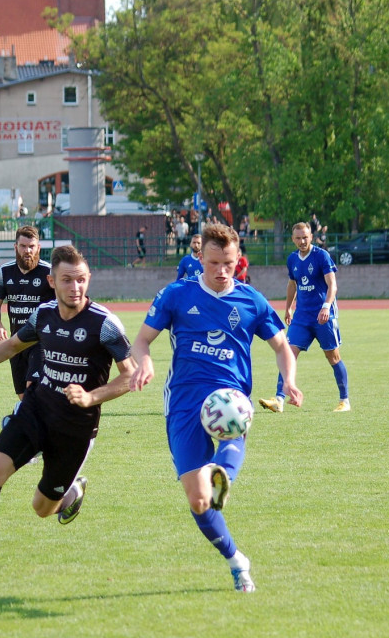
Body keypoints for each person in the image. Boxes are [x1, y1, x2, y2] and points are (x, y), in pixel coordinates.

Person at [0, 244, 136, 584]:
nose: (75, 288)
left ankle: (71, 492)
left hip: (75, 427)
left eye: (81, 280)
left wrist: (91, 396)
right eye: (67, 281)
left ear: (88, 279)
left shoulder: (105, 324)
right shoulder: (44, 315)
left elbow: (130, 376)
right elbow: (13, 345)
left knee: (42, 508)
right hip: (36, 409)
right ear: (52, 281)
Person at [129, 224, 302, 593]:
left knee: (222, 463)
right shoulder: (177, 295)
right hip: (184, 403)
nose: (221, 271)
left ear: (238, 259)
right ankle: (237, 560)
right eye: (213, 263)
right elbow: (141, 340)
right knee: (198, 499)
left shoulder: (251, 300)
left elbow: (282, 347)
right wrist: (144, 361)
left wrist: (288, 381)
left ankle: (223, 473)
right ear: (200, 260)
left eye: (228, 263)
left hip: (231, 401)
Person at [259, 222, 350, 413]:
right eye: (298, 238)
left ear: (311, 236)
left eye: (305, 237)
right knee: (288, 354)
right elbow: (292, 284)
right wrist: (288, 308)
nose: (302, 241)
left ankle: (344, 401)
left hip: (323, 316)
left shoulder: (321, 256)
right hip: (301, 317)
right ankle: (279, 399)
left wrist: (326, 306)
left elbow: (332, 284)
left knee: (333, 357)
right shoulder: (292, 259)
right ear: (292, 239)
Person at [0, 226, 55, 399]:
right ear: (15, 247)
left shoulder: (49, 273)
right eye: (23, 246)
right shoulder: (5, 272)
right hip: (16, 343)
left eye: (32, 246)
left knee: (33, 388)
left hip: (41, 341)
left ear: (38, 248)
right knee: (23, 396)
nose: (28, 251)